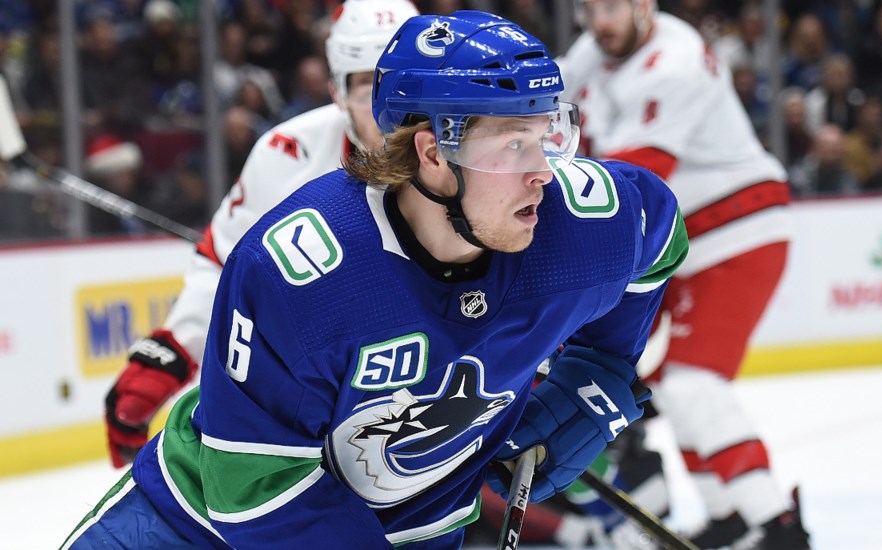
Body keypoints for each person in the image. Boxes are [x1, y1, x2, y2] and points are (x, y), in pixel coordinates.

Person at [64, 10, 688, 549]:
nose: (544, 175)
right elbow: (253, 482)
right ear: (433, 153)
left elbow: (656, 233)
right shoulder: (304, 273)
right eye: (511, 146)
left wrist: (599, 369)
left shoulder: (575, 225)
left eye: (547, 135)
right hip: (198, 524)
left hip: (408, 529)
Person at [103, 0, 421, 469]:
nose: (388, 109)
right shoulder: (289, 152)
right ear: (336, 91)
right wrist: (169, 353)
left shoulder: (469, 158)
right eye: (365, 87)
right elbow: (225, 262)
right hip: (327, 398)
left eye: (405, 87)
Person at [557, 1, 809, 548]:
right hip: (686, 241)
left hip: (739, 230)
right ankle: (729, 517)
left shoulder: (676, 62)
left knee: (696, 383)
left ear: (644, 5)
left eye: (612, 7)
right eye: (589, 8)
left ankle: (780, 526)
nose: (600, 22)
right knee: (673, 386)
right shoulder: (590, 50)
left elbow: (635, 179)